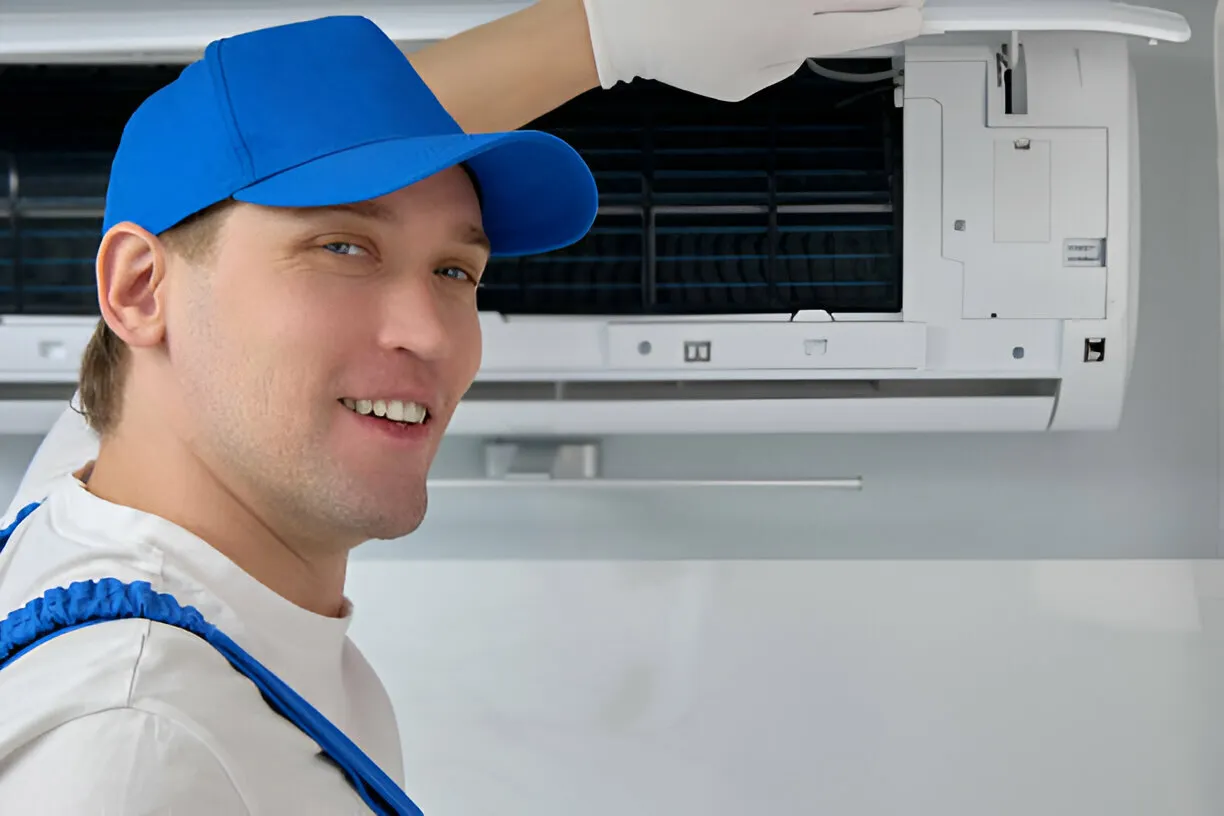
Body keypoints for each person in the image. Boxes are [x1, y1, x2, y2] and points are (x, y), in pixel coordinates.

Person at [0, 1, 923, 813]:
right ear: (140, 292)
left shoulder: (86, 505)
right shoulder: (137, 750)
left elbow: (305, 146)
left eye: (456, 270)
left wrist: (612, 30)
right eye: (342, 250)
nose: (433, 333)